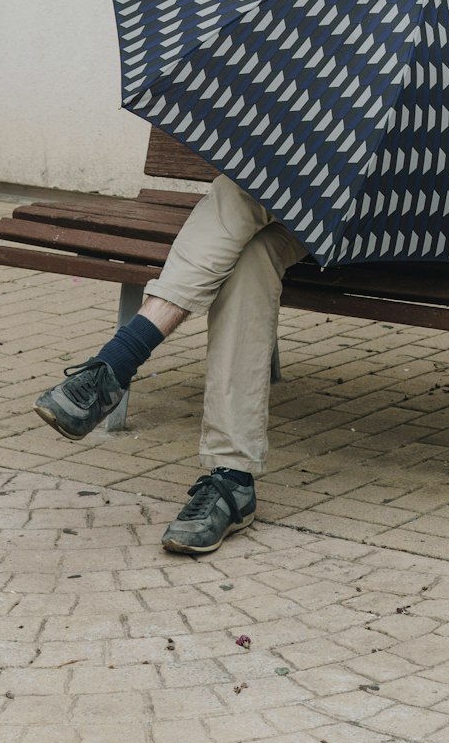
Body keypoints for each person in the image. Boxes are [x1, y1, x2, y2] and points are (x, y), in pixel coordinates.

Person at [33, 176, 306, 555]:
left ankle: (117, 362)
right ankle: (234, 478)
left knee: (248, 189)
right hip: (306, 208)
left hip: (373, 222)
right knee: (251, 258)